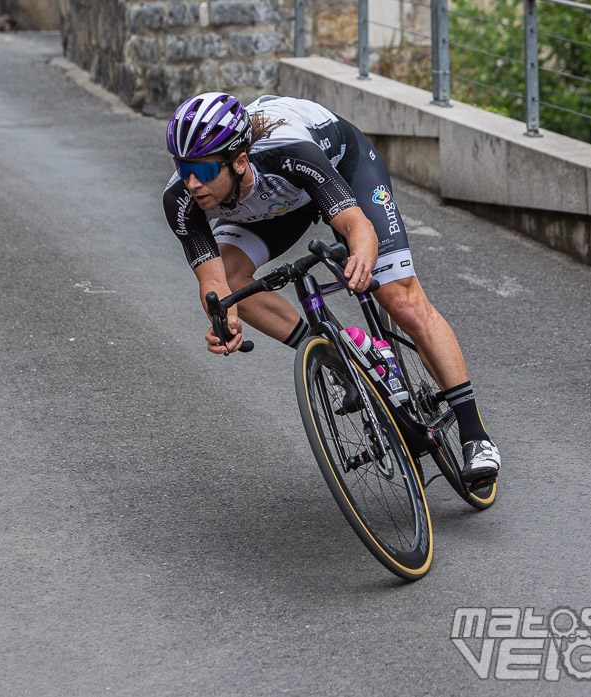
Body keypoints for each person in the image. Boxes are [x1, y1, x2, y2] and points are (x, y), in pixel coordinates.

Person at [161, 92, 500, 484]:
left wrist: (360, 260)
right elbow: (215, 284)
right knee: (236, 285)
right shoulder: (181, 199)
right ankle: (344, 356)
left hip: (340, 167)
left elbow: (358, 226)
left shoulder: (289, 151)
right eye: (182, 168)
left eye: (202, 172)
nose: (191, 183)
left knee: (399, 299)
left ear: (239, 162)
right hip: (271, 206)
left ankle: (476, 437)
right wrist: (227, 322)